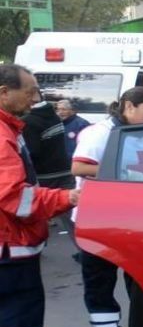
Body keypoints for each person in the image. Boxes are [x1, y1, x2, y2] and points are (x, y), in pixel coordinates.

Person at [72, 87, 143, 327]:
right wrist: (123, 171)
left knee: (141, 277)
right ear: (129, 107)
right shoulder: (98, 134)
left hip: (134, 217)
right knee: (101, 277)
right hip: (98, 217)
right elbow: (79, 168)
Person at [0, 64, 79, 327]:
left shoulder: (9, 128)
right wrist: (68, 196)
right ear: (4, 93)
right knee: (17, 326)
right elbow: (14, 197)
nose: (35, 99)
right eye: (30, 91)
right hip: (10, 250)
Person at [22, 95, 74, 243]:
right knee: (71, 217)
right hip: (64, 169)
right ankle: (87, 250)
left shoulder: (29, 121)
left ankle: (37, 244)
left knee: (37, 214)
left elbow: (33, 151)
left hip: (44, 174)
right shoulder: (53, 116)